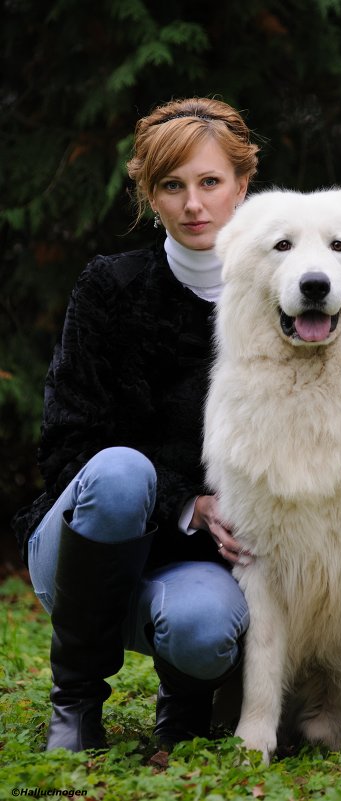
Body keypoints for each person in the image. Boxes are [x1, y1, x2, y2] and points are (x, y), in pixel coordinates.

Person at [12, 97, 260, 753]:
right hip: (81, 548)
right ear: (150, 196)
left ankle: (182, 713)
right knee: (123, 470)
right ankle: (76, 706)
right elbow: (68, 444)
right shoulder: (110, 288)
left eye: (209, 182)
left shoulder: (279, 302)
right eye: (171, 186)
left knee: (206, 630)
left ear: (243, 184)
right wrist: (187, 501)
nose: (192, 204)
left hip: (192, 567)